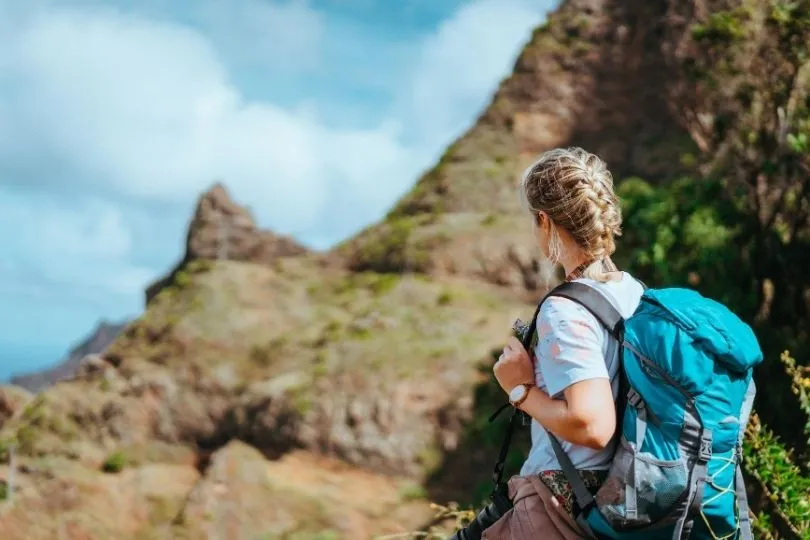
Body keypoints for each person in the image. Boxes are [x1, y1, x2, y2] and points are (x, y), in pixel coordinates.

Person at [493, 147, 645, 521]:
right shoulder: (634, 292)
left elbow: (592, 425)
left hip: (564, 502)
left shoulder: (564, 310)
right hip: (628, 491)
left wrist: (520, 389)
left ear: (544, 221)